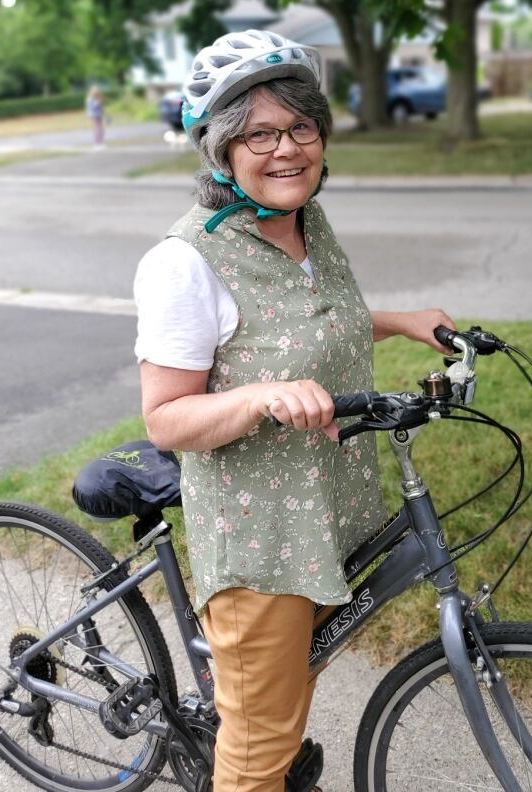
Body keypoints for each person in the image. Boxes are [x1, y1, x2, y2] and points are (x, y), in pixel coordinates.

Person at [133, 29, 455, 792]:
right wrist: (257, 397)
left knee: (283, 703)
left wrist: (402, 319)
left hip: (328, 514)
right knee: (254, 757)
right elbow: (166, 418)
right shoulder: (184, 263)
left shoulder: (307, 221)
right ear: (220, 150)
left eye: (301, 127)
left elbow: (305, 321)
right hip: (262, 545)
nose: (287, 149)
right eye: (259, 134)